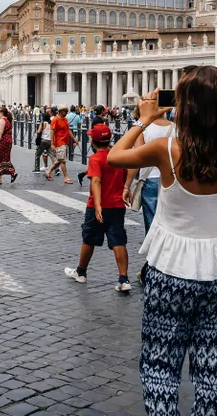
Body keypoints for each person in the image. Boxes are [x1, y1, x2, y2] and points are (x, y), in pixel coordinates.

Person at [103, 70, 217, 416]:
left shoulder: (167, 148)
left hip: (170, 270)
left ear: (183, 105)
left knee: (160, 366)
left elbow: (115, 157)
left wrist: (143, 120)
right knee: (214, 374)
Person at [65, 123, 131, 292]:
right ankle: (124, 279)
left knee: (89, 238)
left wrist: (97, 205)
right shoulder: (117, 157)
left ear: (93, 142)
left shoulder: (95, 159)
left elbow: (96, 180)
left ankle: (81, 272)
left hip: (98, 205)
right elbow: (126, 174)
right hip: (117, 204)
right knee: (118, 240)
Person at [128, 106, 176, 234]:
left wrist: (126, 186)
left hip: (150, 180)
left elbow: (136, 159)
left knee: (152, 223)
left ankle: (155, 250)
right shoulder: (176, 128)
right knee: (171, 222)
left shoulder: (143, 129)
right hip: (173, 179)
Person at [0, 106, 17, 185]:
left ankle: (2, 177)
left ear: (1, 113)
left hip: (2, 142)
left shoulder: (2, 120)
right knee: (4, 158)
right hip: (7, 141)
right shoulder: (7, 120)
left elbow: (0, 133)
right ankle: (0, 178)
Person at [46, 108, 73, 184]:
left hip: (64, 142)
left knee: (60, 159)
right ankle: (66, 177)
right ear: (61, 112)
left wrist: (74, 138)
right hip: (59, 142)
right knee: (63, 161)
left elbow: (68, 130)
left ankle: (49, 171)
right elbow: (52, 132)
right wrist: (52, 144)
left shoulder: (65, 120)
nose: (67, 113)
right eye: (65, 111)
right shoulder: (55, 120)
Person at [33, 109, 52, 174]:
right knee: (52, 155)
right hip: (50, 140)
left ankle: (37, 169)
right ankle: (56, 168)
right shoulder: (51, 123)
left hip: (43, 140)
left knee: (37, 154)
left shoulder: (43, 123)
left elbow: (38, 131)